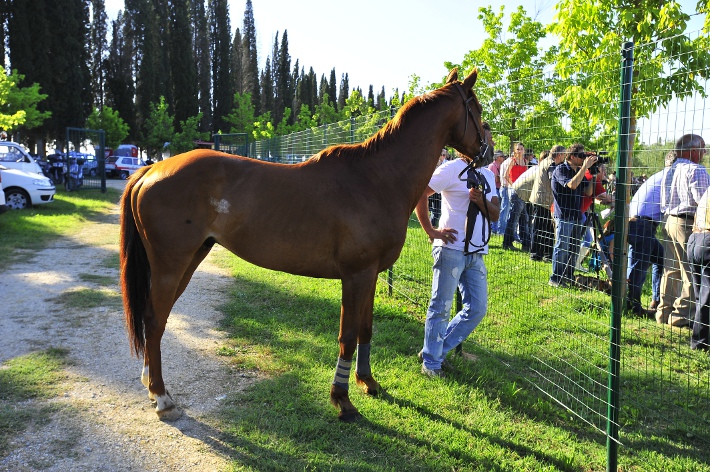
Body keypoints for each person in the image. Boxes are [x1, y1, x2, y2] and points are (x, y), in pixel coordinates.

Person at [414, 139, 500, 378]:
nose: (490, 145)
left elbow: (495, 214)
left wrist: (480, 200)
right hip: (450, 250)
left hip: (476, 253)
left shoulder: (487, 175)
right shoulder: (451, 168)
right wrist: (431, 231)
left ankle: (435, 351)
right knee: (440, 306)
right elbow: (420, 192)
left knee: (477, 309)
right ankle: (431, 364)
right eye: (486, 140)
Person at [657, 134, 709, 327]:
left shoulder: (670, 169)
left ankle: (664, 313)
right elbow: (704, 203)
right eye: (703, 149)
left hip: (669, 220)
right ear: (693, 150)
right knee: (690, 272)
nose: (704, 153)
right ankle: (681, 317)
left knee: (670, 271)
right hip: (688, 222)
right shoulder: (696, 170)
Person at [549, 143, 597, 287]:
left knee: (574, 248)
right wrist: (584, 168)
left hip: (576, 215)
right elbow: (572, 185)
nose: (584, 159)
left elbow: (588, 192)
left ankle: (568, 277)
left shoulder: (579, 171)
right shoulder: (561, 169)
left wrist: (592, 174)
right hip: (564, 215)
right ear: (572, 156)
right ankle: (555, 278)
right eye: (581, 156)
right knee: (562, 247)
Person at [626, 169, 664, 317]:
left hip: (640, 222)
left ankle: (656, 300)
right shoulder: (669, 176)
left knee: (660, 258)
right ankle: (633, 307)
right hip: (643, 224)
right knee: (638, 268)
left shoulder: (658, 176)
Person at [529, 146, 565, 262]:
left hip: (540, 199)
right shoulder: (552, 165)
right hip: (543, 200)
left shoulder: (544, 161)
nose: (564, 158)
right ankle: (538, 254)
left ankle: (542, 253)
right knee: (542, 228)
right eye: (564, 155)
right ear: (559, 155)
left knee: (542, 227)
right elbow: (553, 179)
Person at [688, 188, 710, 350]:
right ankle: (700, 342)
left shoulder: (708, 191)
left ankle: (699, 337)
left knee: (699, 295)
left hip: (695, 237)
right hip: (707, 239)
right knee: (706, 297)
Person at [503, 142, 530, 250]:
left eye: (521, 149)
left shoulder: (525, 161)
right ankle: (507, 242)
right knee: (513, 218)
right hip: (515, 191)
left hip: (523, 192)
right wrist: (513, 185)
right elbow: (505, 175)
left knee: (524, 217)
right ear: (515, 151)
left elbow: (527, 176)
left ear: (524, 150)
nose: (519, 151)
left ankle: (526, 243)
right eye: (517, 149)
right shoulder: (512, 161)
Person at [428, 149, 449, 227]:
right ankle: (432, 228)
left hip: (442, 189)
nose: (443, 157)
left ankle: (434, 226)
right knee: (435, 210)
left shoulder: (447, 164)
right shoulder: (432, 163)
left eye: (444, 155)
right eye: (441, 155)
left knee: (437, 210)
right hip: (433, 188)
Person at [487, 150, 506, 233]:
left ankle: (496, 227)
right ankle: (494, 228)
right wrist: (501, 178)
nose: (504, 158)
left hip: (500, 188)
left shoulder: (502, 165)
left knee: (500, 209)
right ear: (498, 157)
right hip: (494, 190)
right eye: (502, 156)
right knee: (495, 208)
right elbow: (495, 179)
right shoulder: (492, 166)